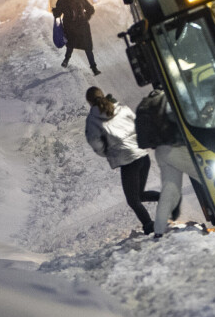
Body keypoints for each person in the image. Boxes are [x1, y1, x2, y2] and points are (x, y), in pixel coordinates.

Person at [85, 87, 158, 235]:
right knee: (139, 195)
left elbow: (95, 143)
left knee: (133, 200)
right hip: (143, 156)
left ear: (89, 101)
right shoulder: (122, 108)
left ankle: (150, 226)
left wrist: (109, 152)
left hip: (128, 161)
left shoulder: (93, 119)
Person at [134, 88, 200, 238]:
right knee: (207, 177)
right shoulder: (167, 98)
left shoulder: (150, 103)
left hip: (160, 152)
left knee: (170, 189)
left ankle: (158, 230)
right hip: (175, 148)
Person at [52, 0, 100, 74]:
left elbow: (57, 14)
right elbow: (91, 9)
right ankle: (94, 68)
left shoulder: (62, 1)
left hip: (70, 27)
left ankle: (66, 61)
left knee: (70, 45)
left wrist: (55, 13)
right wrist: (86, 17)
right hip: (83, 26)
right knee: (87, 47)